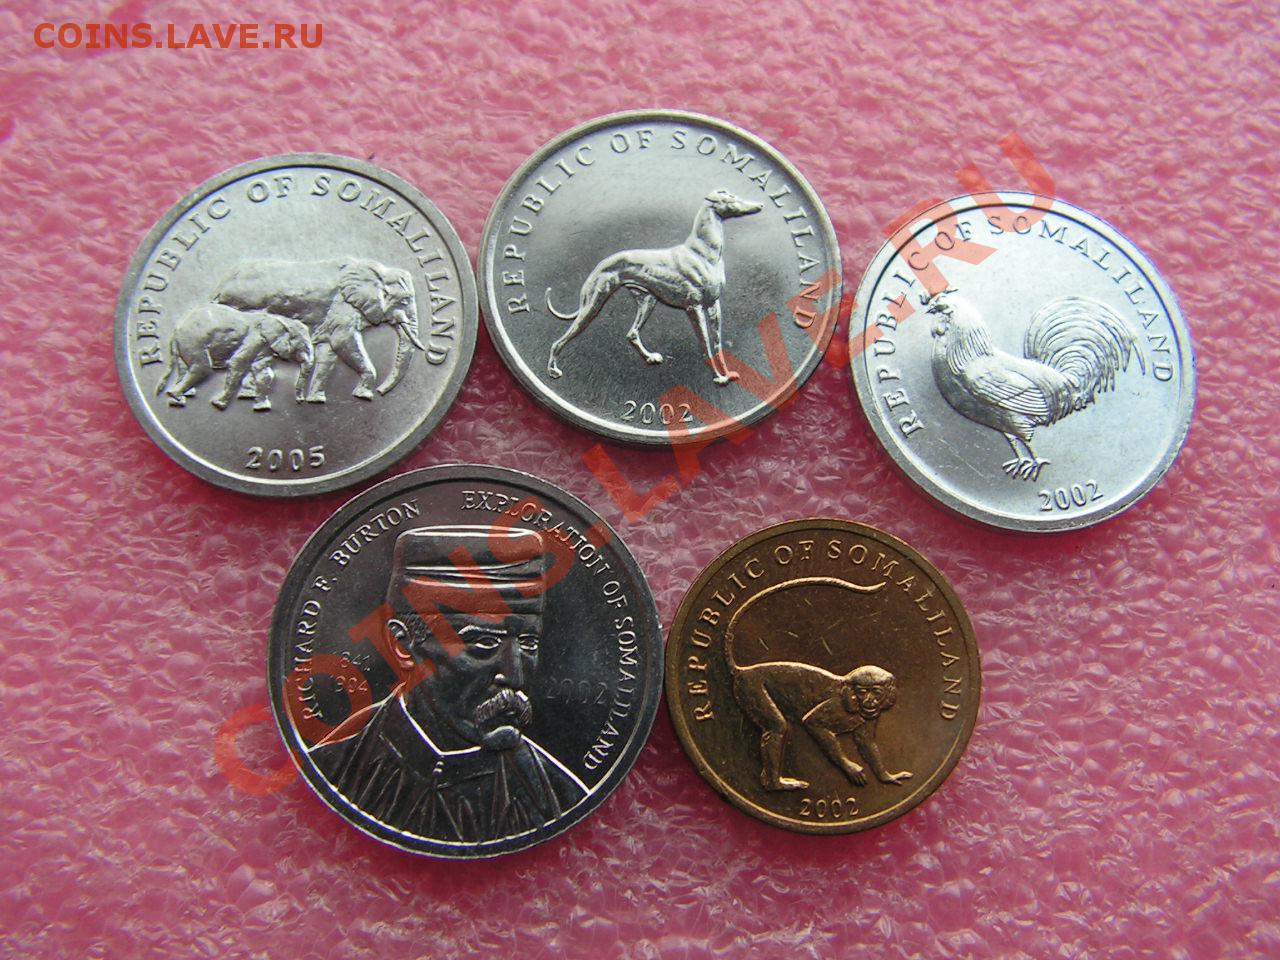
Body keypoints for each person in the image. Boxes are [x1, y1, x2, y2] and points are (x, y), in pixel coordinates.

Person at [309, 525, 586, 843]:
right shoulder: (337, 766)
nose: (514, 676)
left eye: (528, 644)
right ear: (403, 645)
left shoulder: (558, 795)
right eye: (484, 643)